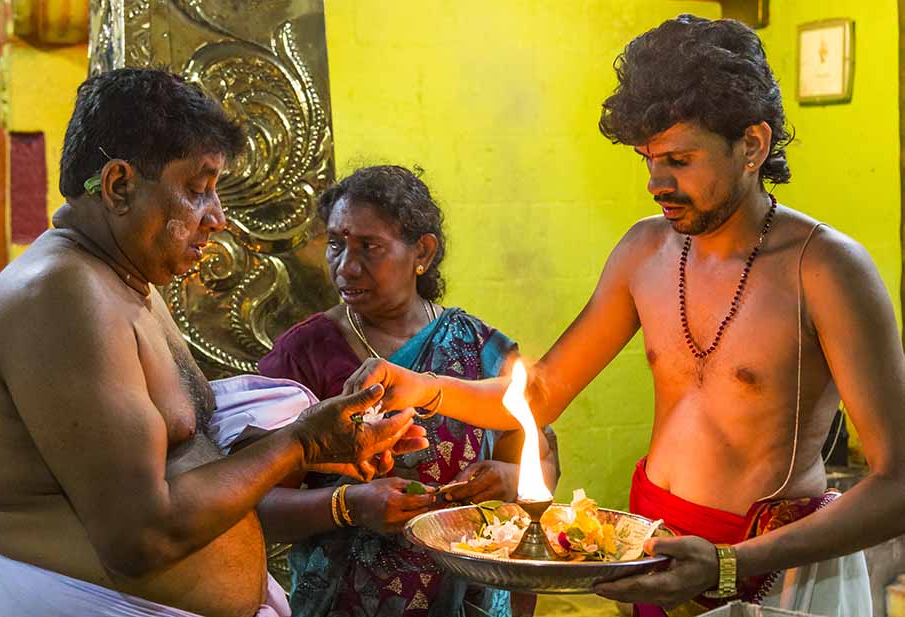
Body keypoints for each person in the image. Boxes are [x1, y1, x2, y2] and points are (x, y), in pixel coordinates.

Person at [343, 15, 905, 617]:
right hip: (652, 550)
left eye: (680, 159)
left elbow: (897, 483)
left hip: (775, 570)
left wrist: (730, 563)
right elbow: (543, 393)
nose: (657, 182)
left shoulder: (825, 268)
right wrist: (421, 387)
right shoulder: (644, 251)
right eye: (647, 158)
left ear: (752, 145)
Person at [0, 68, 426, 617]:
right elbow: (141, 537)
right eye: (197, 189)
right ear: (119, 186)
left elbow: (178, 448)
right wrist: (301, 443)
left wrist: (328, 443)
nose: (216, 218)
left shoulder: (127, 281)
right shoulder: (62, 296)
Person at [256, 165, 559, 617]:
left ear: (423, 251)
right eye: (336, 244)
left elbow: (543, 463)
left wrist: (509, 481)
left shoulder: (479, 349)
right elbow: (257, 505)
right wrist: (347, 506)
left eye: (369, 247)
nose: (346, 266)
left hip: (471, 598)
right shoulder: (304, 355)